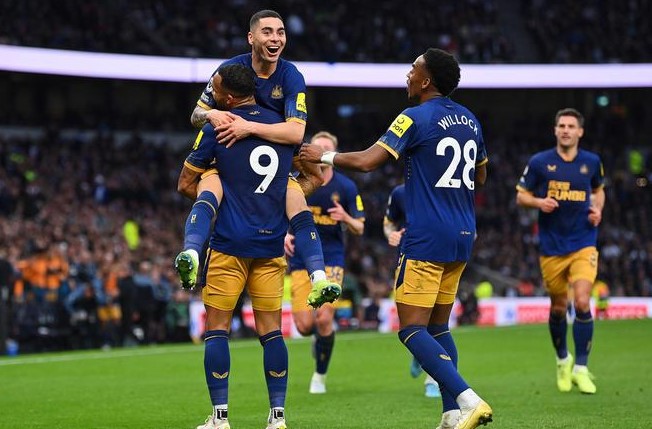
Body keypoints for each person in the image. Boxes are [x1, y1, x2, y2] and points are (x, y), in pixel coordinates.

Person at [301, 48, 492, 429]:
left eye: (413, 69)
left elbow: (368, 162)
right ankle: (451, 414)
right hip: (462, 234)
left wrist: (325, 156)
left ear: (426, 80)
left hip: (426, 237)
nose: (408, 75)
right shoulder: (470, 119)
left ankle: (469, 400)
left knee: (411, 329)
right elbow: (481, 176)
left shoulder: (413, 116)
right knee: (438, 328)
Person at [175, 9, 340, 309]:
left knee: (312, 176)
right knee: (292, 198)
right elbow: (196, 114)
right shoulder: (228, 71)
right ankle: (318, 275)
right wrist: (211, 114)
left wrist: (248, 127)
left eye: (280, 32)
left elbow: (296, 132)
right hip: (235, 153)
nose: (275, 38)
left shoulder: (290, 76)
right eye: (267, 32)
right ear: (251, 38)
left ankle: (193, 249)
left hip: (277, 151)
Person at [178, 64, 295, 429]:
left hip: (229, 243)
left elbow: (185, 183)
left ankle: (220, 418)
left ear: (228, 98)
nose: (210, 95)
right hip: (271, 245)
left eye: (214, 90)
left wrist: (218, 184)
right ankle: (277, 418)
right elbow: (302, 176)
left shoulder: (217, 126)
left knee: (217, 329)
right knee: (271, 332)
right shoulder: (281, 126)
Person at [516, 107, 605, 395]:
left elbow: (598, 190)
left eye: (571, 126)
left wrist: (598, 209)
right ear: (555, 130)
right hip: (552, 247)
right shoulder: (540, 162)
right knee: (558, 307)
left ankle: (581, 368)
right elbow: (521, 196)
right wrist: (539, 202)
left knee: (582, 302)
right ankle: (562, 360)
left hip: (584, 242)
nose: (566, 130)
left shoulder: (591, 162)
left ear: (580, 131)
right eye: (562, 126)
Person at [284, 131, 365, 394]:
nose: (319, 152)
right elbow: (280, 212)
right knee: (304, 326)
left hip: (332, 259)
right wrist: (285, 234)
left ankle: (319, 376)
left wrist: (346, 218)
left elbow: (360, 228)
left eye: (325, 148)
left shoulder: (346, 187)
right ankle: (318, 340)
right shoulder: (299, 182)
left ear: (333, 153)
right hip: (300, 260)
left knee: (323, 318)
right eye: (316, 146)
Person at [384, 184, 441, 399]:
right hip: (409, 261)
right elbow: (388, 223)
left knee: (437, 322)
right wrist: (391, 234)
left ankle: (432, 379)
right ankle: (420, 353)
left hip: (442, 259)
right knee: (413, 324)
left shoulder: (447, 187)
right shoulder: (400, 193)